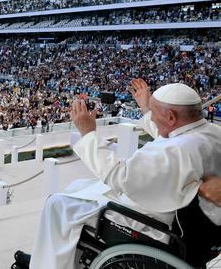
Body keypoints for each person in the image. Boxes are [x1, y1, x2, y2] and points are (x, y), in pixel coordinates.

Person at [15, 80, 221, 269]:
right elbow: (166, 133)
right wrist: (145, 106)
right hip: (183, 219)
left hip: (155, 222)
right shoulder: (209, 132)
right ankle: (53, 258)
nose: (151, 117)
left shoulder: (178, 150)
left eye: (154, 112)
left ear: (170, 116)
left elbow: (119, 176)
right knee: (79, 187)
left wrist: (88, 133)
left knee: (57, 204)